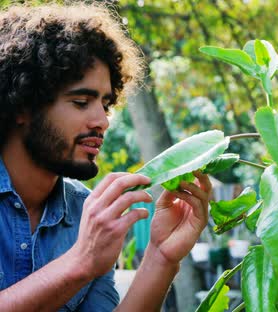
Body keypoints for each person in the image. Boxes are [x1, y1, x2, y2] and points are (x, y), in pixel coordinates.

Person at [0, 3, 211, 311]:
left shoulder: (88, 213)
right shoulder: (90, 234)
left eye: (106, 104)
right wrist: (81, 261)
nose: (103, 121)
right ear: (22, 105)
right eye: (82, 101)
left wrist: (161, 257)